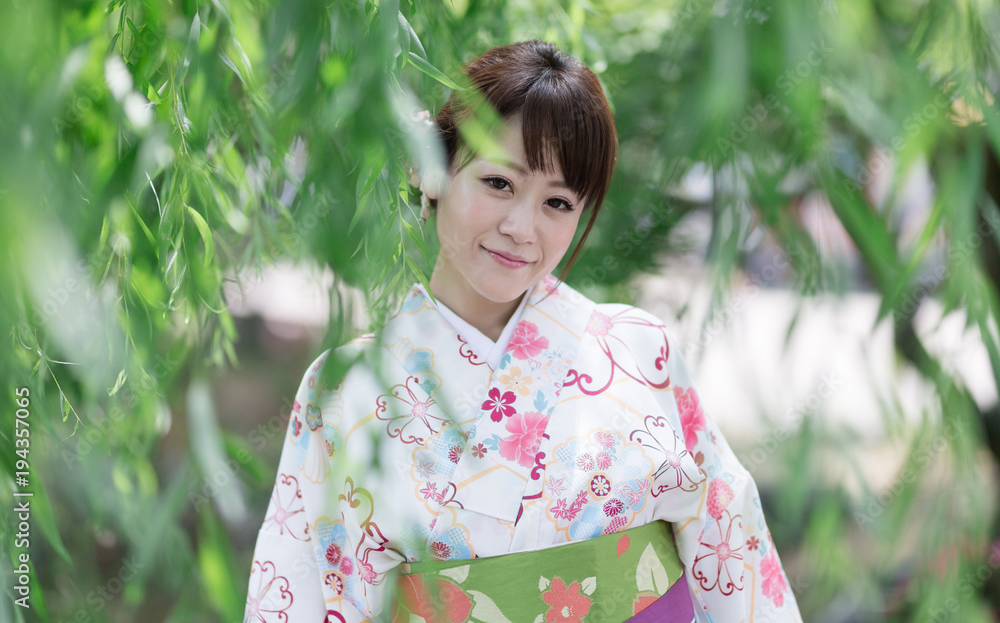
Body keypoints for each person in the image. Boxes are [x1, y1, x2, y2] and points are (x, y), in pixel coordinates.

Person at [244, 40, 803, 622]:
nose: (521, 228)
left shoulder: (639, 350)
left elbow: (733, 547)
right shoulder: (343, 389)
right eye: (499, 183)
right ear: (431, 171)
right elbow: (299, 590)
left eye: (557, 203)